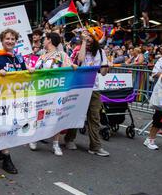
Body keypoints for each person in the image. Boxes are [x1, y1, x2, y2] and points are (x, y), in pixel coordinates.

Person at [0, 28, 28, 174]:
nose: (10, 41)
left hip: (15, 99)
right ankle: (7, 157)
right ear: (2, 41)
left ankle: (1, 150)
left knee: (10, 128)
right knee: (3, 127)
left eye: (13, 39)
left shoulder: (19, 58)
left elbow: (24, 75)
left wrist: (30, 72)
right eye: (7, 39)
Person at [28, 32, 76, 155]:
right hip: (40, 91)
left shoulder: (62, 55)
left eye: (45, 39)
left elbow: (69, 68)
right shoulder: (42, 55)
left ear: (49, 40)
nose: (43, 41)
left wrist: (73, 66)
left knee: (55, 116)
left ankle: (56, 144)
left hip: (55, 91)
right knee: (38, 115)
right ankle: (34, 138)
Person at [64, 29, 110, 157]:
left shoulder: (101, 53)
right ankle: (69, 139)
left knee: (95, 118)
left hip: (94, 89)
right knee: (76, 114)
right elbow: (80, 60)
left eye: (90, 39)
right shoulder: (79, 50)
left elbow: (103, 73)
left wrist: (106, 66)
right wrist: (83, 42)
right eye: (86, 39)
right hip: (79, 88)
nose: (88, 41)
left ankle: (95, 147)